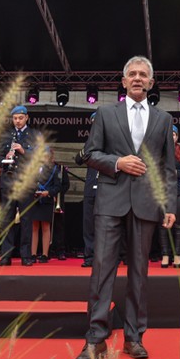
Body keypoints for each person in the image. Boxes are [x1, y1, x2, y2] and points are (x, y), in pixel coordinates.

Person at [77, 56, 177, 359]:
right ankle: (95, 339)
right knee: (101, 271)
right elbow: (89, 154)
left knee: (139, 274)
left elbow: (168, 169)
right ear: (123, 82)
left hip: (147, 204)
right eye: (132, 74)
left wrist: (169, 205)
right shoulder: (106, 113)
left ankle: (134, 338)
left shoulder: (164, 119)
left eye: (142, 74)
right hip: (110, 201)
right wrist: (117, 162)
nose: (137, 78)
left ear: (151, 82)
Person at [0, 105, 38, 266]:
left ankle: (26, 256)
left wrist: (23, 151)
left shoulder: (34, 134)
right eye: (15, 118)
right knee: (7, 218)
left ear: (26, 117)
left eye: (20, 118)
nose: (18, 121)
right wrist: (5, 157)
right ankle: (6, 255)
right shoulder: (7, 135)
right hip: (8, 181)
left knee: (26, 219)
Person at [23, 147, 62, 263]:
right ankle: (33, 254)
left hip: (47, 200)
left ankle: (45, 254)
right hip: (34, 199)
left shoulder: (55, 169)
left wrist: (49, 192)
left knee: (45, 227)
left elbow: (58, 186)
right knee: (34, 227)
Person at [158, 125, 180, 268]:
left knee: (179, 224)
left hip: (179, 190)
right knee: (163, 223)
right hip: (162, 191)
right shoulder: (158, 151)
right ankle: (165, 255)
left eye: (174, 134)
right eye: (169, 134)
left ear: (177, 137)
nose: (172, 137)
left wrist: (177, 173)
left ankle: (177, 256)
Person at [76, 112, 99, 268]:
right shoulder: (90, 142)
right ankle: (89, 256)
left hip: (106, 187)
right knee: (89, 224)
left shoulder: (111, 141)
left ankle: (108, 256)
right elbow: (78, 160)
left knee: (106, 225)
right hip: (91, 187)